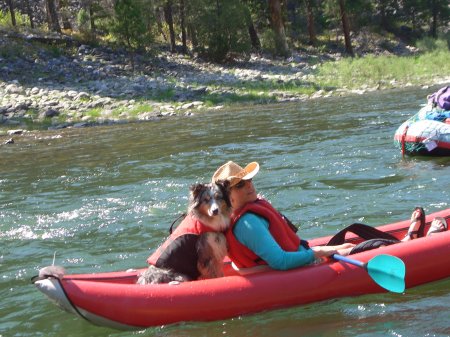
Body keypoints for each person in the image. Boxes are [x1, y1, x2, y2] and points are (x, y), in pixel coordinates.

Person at [211, 161, 355, 271]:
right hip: (287, 273)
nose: (250, 185)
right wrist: (323, 251)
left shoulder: (234, 217)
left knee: (349, 246)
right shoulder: (247, 223)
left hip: (287, 263)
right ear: (226, 197)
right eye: (240, 185)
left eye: (249, 180)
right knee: (353, 249)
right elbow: (281, 261)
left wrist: (330, 249)